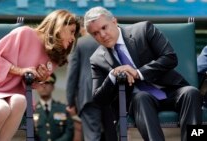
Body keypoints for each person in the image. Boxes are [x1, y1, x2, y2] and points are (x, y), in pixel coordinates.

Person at [84, 6, 202, 141]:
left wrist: (138, 73)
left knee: (192, 92)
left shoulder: (143, 29)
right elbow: (99, 98)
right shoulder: (97, 59)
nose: (102, 35)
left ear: (114, 22)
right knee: (141, 97)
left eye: (104, 28)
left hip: (170, 90)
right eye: (95, 33)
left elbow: (170, 57)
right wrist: (112, 75)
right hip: (140, 101)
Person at [0, 9, 80, 141]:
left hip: (13, 97)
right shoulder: (24, 33)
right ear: (60, 25)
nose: (73, 38)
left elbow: (29, 83)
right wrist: (20, 70)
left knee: (20, 100)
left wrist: (39, 79)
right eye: (72, 32)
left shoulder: (53, 57)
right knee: (1, 109)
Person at [66, 17, 118, 141]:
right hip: (111, 94)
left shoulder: (79, 44)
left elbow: (72, 74)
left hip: (89, 95)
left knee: (92, 136)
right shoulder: (110, 39)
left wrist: (70, 102)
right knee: (113, 135)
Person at [33, 73, 74, 141]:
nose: (44, 86)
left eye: (47, 83)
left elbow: (69, 132)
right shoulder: (33, 111)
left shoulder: (63, 109)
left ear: (53, 87)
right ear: (36, 87)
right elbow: (30, 134)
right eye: (40, 83)